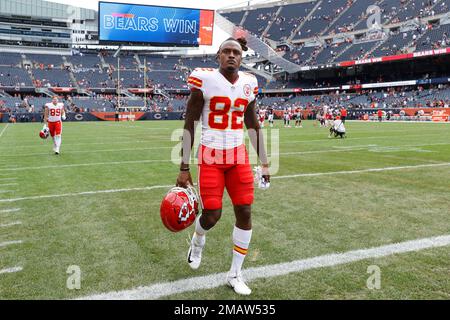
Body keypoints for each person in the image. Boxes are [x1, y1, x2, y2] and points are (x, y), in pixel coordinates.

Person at [176, 37, 270, 296]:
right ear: (218, 56)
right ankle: (197, 240)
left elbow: (253, 125)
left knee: (245, 212)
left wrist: (264, 163)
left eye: (236, 52)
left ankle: (235, 274)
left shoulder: (249, 83)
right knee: (212, 215)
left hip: (237, 157)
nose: (231, 55)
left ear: (242, 57)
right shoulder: (204, 79)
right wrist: (184, 167)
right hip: (211, 157)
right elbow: (190, 123)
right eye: (226, 51)